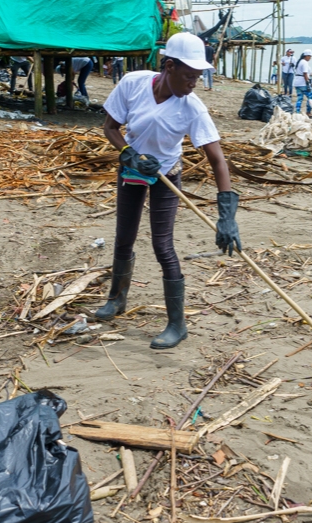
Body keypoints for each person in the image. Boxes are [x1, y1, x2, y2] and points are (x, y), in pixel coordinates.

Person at [95, 33, 242, 349]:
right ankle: (116, 299)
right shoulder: (133, 84)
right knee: (124, 238)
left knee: (163, 246)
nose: (194, 83)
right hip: (132, 170)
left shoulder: (192, 107)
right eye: (189, 75)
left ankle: (177, 324)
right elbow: (110, 128)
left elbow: (217, 161)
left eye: (198, 76)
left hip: (166, 175)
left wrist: (227, 214)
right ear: (170, 66)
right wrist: (129, 154)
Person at [293, 50, 312, 114]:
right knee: (311, 97)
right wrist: (308, 83)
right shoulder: (305, 62)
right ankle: (308, 111)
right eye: (310, 56)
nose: (310, 58)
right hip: (303, 83)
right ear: (306, 56)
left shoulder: (299, 61)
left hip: (297, 82)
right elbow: (305, 73)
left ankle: (297, 111)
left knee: (300, 98)